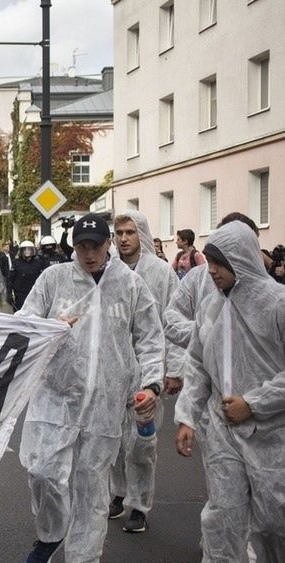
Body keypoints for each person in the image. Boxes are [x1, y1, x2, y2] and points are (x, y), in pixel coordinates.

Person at [16, 213, 164, 563]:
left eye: (95, 246)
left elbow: (150, 337)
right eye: (81, 246)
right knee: (43, 472)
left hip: (106, 401)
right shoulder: (54, 279)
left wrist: (151, 384)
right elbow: (24, 323)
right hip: (55, 398)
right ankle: (50, 533)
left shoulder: (130, 285)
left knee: (92, 485)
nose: (88, 254)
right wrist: (52, 328)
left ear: (108, 244)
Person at [173, 220, 285, 563]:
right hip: (222, 431)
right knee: (221, 519)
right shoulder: (210, 305)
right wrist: (186, 416)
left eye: (219, 263)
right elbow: (199, 366)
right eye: (210, 261)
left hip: (273, 434)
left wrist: (253, 403)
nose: (212, 270)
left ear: (240, 259)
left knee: (275, 520)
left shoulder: (278, 304)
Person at [107, 211, 181, 534]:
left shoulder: (162, 273)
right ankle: (118, 492)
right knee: (114, 441)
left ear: (142, 235)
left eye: (130, 232)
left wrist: (173, 368)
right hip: (115, 370)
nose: (123, 238)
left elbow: (175, 323)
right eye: (119, 232)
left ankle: (139, 505)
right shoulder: (108, 272)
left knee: (142, 444)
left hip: (148, 372)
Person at [8, 240, 43, 311]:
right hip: (20, 294)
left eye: (29, 250)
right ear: (21, 251)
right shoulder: (16, 262)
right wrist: (9, 294)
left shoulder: (38, 263)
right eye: (25, 250)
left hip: (35, 293)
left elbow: (43, 279)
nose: (27, 252)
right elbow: (11, 278)